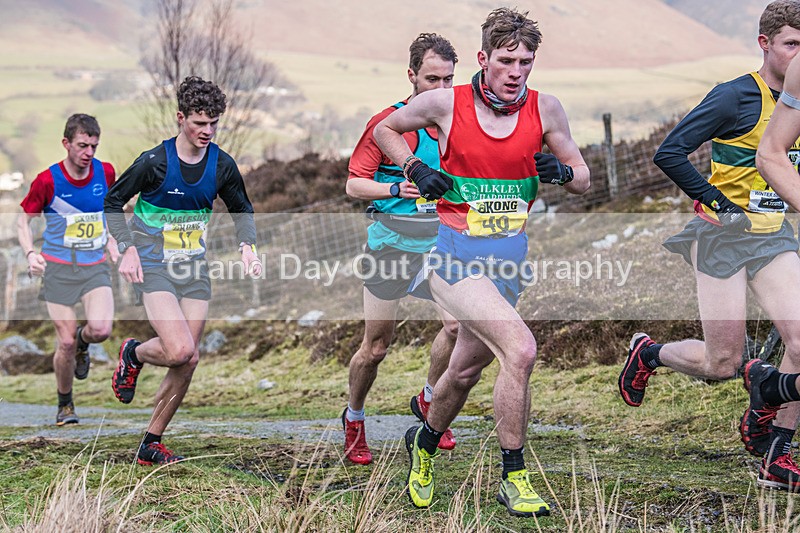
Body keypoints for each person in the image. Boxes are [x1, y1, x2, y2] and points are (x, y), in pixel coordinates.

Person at [374, 8, 590, 517]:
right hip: (454, 261)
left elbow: (583, 178)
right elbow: (385, 129)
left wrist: (560, 171)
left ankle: (422, 443)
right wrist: (413, 166)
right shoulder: (447, 104)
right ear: (484, 58)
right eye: (507, 60)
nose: (517, 71)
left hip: (508, 267)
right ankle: (514, 476)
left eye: (526, 61)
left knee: (464, 372)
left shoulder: (546, 110)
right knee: (521, 350)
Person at [619, 0, 800, 492]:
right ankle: (650, 354)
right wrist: (717, 203)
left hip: (774, 238)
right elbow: (669, 151)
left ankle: (775, 451)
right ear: (765, 45)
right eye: (792, 45)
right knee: (724, 364)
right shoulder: (736, 96)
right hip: (722, 238)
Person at [104, 76, 262, 466]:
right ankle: (135, 353)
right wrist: (126, 249)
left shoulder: (222, 165)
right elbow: (112, 202)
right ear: (181, 118)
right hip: (154, 265)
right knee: (178, 349)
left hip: (193, 268)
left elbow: (241, 208)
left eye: (213, 123)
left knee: (188, 360)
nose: (207, 131)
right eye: (199, 122)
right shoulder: (153, 162)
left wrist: (248, 246)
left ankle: (151, 443)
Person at [342, 33, 460, 466]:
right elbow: (354, 183)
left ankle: (429, 400)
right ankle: (354, 417)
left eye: (449, 80)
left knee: (457, 326)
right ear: (411, 76)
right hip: (389, 243)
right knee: (375, 348)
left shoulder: (456, 122)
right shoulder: (387, 123)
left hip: (439, 242)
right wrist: (396, 187)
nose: (442, 90)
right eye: (432, 79)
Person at [18, 113, 118, 426]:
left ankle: (83, 343)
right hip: (58, 269)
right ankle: (65, 405)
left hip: (94, 266)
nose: (89, 152)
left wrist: (115, 240)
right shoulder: (48, 180)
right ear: (66, 144)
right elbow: (23, 219)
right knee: (64, 343)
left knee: (101, 330)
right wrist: (30, 253)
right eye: (82, 145)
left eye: (94, 146)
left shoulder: (106, 172)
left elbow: (113, 210)